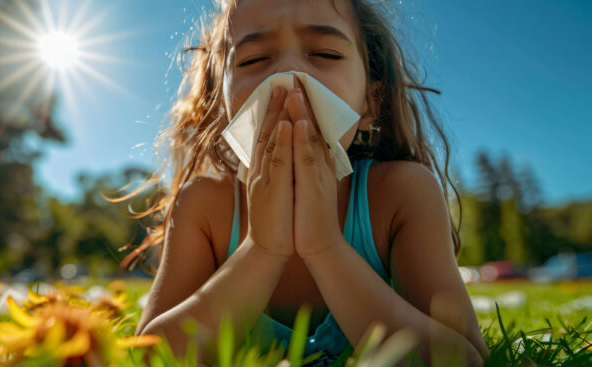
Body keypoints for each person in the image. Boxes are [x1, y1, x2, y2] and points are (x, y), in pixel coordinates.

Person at [124, 0, 489, 365]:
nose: (289, 73)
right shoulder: (204, 207)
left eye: (326, 54)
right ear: (222, 106)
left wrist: (325, 247)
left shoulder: (401, 195)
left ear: (371, 102)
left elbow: (463, 358)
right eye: (253, 60)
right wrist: (262, 249)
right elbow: (149, 358)